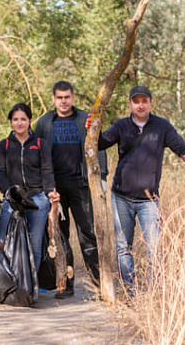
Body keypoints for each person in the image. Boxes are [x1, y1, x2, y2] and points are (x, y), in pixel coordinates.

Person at [97, 86, 185, 296]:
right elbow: (101, 143)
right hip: (121, 196)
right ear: (130, 104)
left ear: (150, 103)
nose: (140, 105)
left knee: (155, 248)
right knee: (123, 247)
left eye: (144, 101)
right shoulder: (121, 126)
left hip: (149, 200)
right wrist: (93, 128)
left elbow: (182, 149)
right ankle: (131, 293)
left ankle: (154, 293)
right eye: (136, 101)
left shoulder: (162, 127)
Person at [34, 81, 107, 299]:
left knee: (88, 234)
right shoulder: (45, 123)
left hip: (81, 185)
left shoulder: (85, 119)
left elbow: (98, 146)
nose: (63, 101)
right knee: (60, 237)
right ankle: (65, 285)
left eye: (67, 97)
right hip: (56, 190)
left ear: (72, 97)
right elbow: (37, 155)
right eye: (59, 97)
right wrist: (44, 187)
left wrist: (100, 176)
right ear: (54, 99)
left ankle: (98, 285)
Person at [0, 103, 60, 271]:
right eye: (15, 119)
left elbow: (47, 169)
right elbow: (0, 173)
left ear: (30, 121)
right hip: (12, 199)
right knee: (2, 240)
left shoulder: (40, 143)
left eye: (23, 119)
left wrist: (50, 192)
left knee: (34, 244)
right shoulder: (3, 146)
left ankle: (31, 287)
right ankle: (5, 281)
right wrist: (10, 193)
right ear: (11, 122)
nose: (19, 123)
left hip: (37, 198)